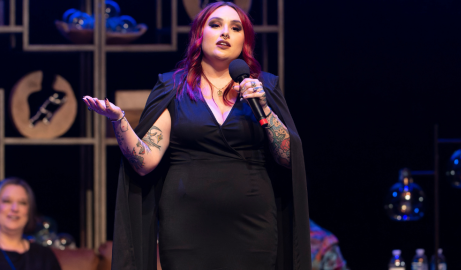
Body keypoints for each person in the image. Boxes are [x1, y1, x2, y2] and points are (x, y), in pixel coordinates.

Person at [83, 2, 310, 269]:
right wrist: (118, 120)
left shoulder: (265, 86)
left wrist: (264, 107)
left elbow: (287, 158)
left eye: (235, 28)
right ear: (199, 34)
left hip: (252, 224)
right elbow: (145, 162)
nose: (225, 32)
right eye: (216, 25)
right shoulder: (173, 87)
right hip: (186, 225)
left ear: (244, 41)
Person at [0, 177, 61, 270]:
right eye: (7, 201)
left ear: (29, 210)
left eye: (22, 203)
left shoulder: (44, 256)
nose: (15, 208)